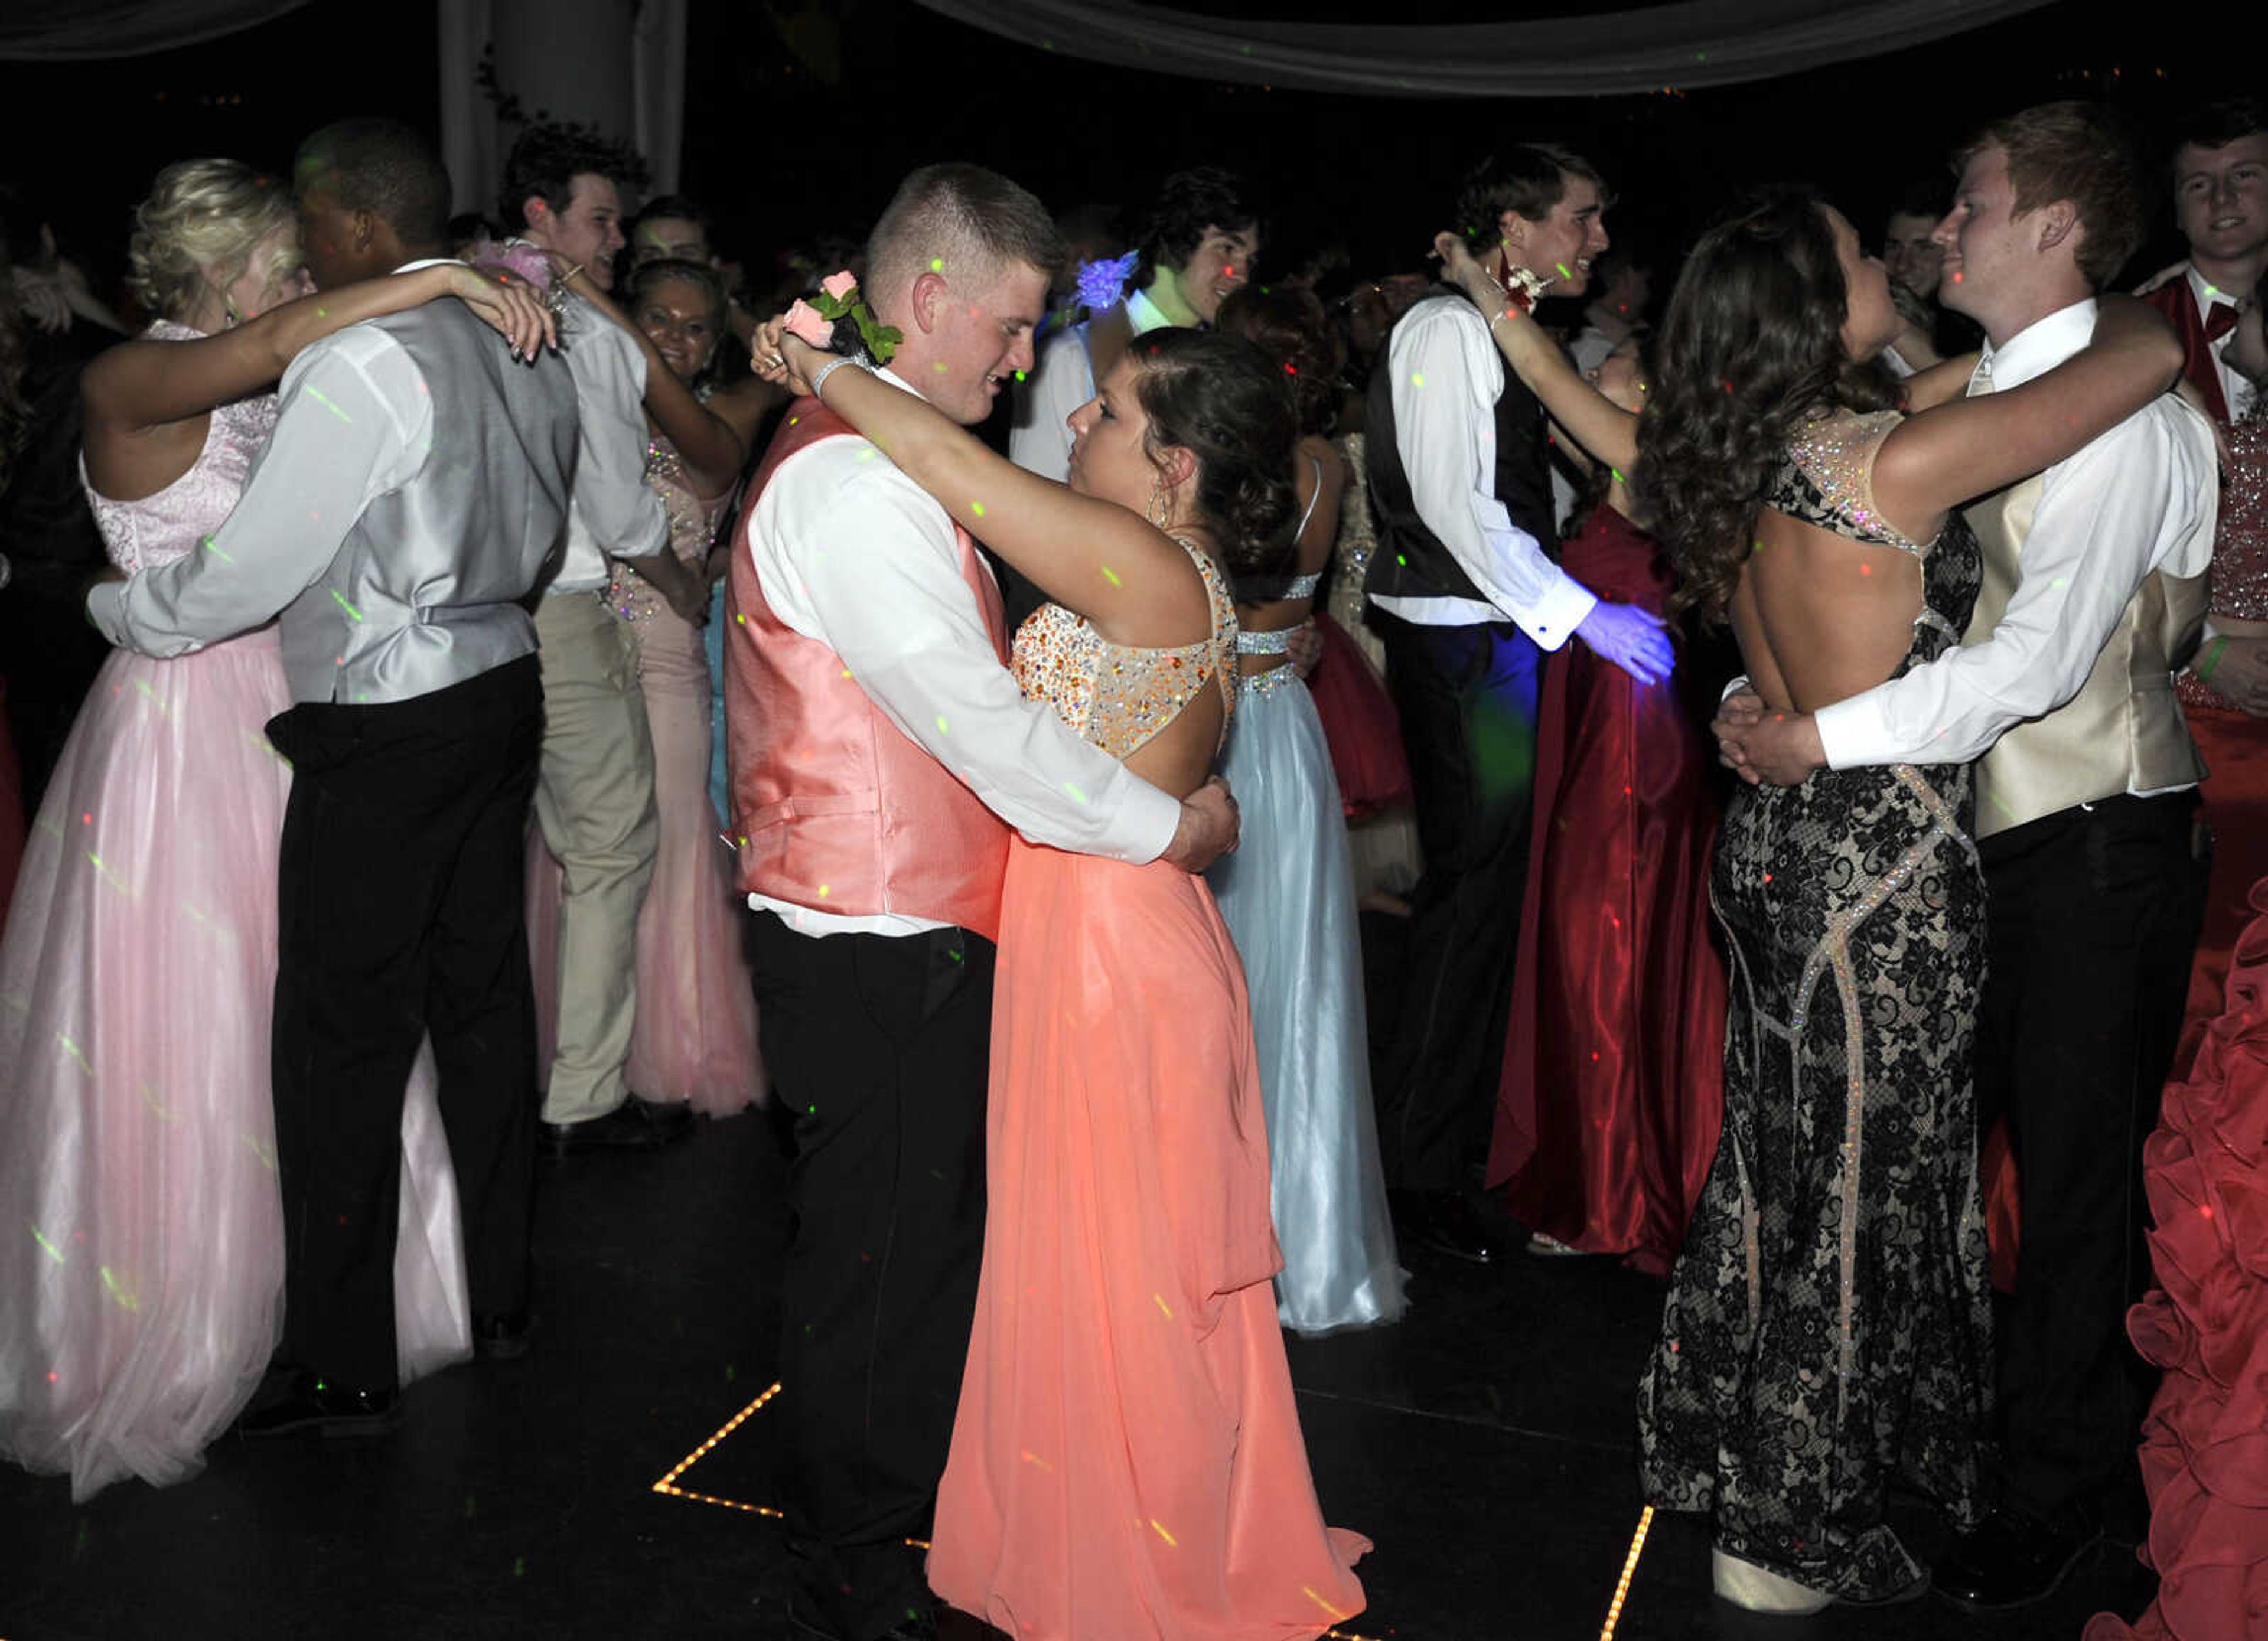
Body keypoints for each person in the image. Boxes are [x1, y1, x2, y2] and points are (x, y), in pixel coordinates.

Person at [757, 297, 1369, 1641]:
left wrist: (817, 365)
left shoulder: (1142, 568)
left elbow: (959, 474)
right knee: (1104, 1259)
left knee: (1111, 1270)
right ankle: (1135, 1520)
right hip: (1108, 929)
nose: (1077, 417)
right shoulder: (1157, 559)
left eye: (1113, 412)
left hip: (1106, 951)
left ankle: (1125, 1558)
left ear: (1177, 465)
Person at [724, 164, 1240, 1641]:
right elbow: (981, 729)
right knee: (876, 1255)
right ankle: (856, 1547)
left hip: (912, 918)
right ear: (926, 302)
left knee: (911, 1237)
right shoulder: (845, 482)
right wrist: (1167, 829)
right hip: (874, 931)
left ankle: (896, 1505)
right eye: (1010, 330)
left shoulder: (877, 456)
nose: (1026, 367)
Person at [1709, 105, 2215, 1609]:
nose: (1943, 228)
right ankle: (1970, 1458)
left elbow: (2038, 665)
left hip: (2090, 836)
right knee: (1959, 1176)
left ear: (2056, 225)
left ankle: (2068, 1505)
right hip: (1946, 848)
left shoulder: (2123, 418)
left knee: (2068, 1184)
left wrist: (1818, 739)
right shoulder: (1982, 394)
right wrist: (1765, 694)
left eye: (1974, 205)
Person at [59, 124, 579, 1445]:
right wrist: (438, 277)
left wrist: (118, 610)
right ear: (220, 269)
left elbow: (267, 552)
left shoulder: (340, 366)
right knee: (327, 1007)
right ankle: (417, 1297)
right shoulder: (149, 370)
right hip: (213, 723)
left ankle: (349, 1345)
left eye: (309, 255)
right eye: (276, 265)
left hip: (331, 704)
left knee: (339, 1026)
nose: (298, 284)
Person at [1363, 143, 1674, 1264]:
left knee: (1487, 897)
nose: (1597, 239)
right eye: (1582, 219)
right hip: (1465, 644)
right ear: (1515, 225)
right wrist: (1585, 613)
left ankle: (1438, 1159)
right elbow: (1456, 505)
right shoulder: (1446, 330)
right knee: (1470, 899)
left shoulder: (1489, 330)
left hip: (1488, 639)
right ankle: (1414, 1176)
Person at [1420, 239, 1728, 1276]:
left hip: (1629, 741)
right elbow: (1541, 402)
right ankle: (1610, 1162)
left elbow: (1547, 376)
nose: (1589, 366)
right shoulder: (1623, 462)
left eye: (1612, 365)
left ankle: (1608, 1193)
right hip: (1611, 722)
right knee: (1598, 936)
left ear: (1645, 392)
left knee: (1603, 938)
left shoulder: (1647, 452)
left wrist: (1483, 284)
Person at [520, 256, 764, 1115]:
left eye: (696, 325)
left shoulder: (728, 411)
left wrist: (594, 304)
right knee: (582, 855)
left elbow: (700, 441)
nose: (673, 335)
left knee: (664, 853)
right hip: (583, 645)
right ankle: (581, 1055)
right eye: (656, 315)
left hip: (665, 666)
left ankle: (669, 1051)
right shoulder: (587, 388)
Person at [1207, 285, 1406, 1336]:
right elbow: (1304, 607)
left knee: (1225, 987)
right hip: (1288, 726)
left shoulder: (1227, 472)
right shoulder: (1328, 460)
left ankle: (1216, 1241)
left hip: (1227, 727)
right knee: (1297, 992)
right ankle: (1304, 1245)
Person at [500, 123, 690, 1155]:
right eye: (600, 218)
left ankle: (512, 1082)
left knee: (507, 851)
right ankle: (582, 1099)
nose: (616, 239)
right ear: (541, 216)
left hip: (461, 623)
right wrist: (685, 580)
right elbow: (620, 516)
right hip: (565, 610)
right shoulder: (587, 330)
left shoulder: (447, 294)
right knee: (611, 847)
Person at [2146, 101, 2268, 1075]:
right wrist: (2204, 644)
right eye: (2201, 181)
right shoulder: (2136, 332)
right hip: (2202, 700)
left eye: (2246, 173)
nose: (2224, 198)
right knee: (2208, 964)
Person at [1008, 165, 1259, 486]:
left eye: (1250, 260)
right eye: (1227, 248)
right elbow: (1032, 497)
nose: (1242, 273)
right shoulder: (1069, 356)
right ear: (1175, 244)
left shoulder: (1220, 369)